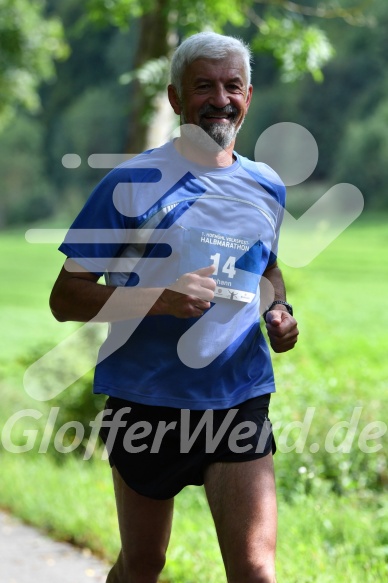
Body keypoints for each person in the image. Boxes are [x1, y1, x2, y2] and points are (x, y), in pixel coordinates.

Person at [50, 31, 299, 583]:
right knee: (143, 564)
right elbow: (65, 298)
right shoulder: (130, 183)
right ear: (175, 98)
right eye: (203, 86)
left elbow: (268, 269)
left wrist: (277, 312)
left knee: (256, 570)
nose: (220, 98)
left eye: (232, 85)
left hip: (239, 395)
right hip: (147, 397)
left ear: (249, 96)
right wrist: (159, 300)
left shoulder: (266, 186)